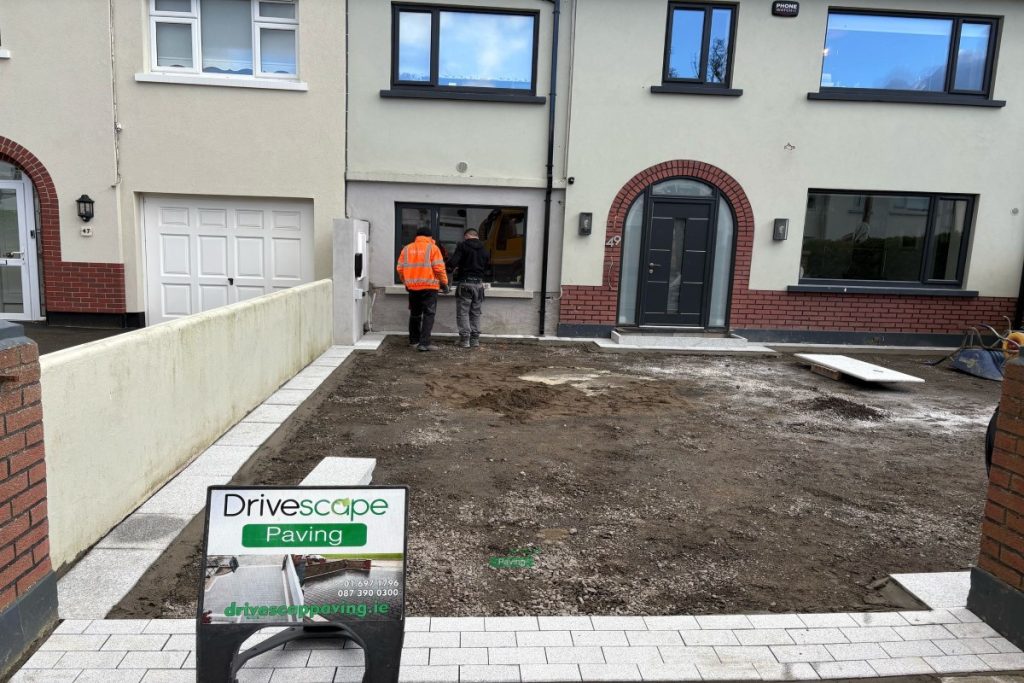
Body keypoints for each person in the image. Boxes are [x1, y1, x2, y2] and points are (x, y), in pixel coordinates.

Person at [396, 227, 448, 351]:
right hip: (429, 287)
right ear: (430, 237)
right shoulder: (433, 248)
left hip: (413, 287)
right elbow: (439, 269)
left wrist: (406, 282)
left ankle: (414, 341)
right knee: (429, 314)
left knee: (415, 314)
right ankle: (424, 343)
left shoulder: (406, 249)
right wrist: (444, 283)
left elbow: (400, 269)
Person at [447, 228, 490, 348]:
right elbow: (487, 267)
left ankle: (465, 340)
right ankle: (475, 340)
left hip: (465, 283)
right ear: (477, 236)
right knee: (475, 313)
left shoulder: (463, 246)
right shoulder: (484, 249)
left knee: (463, 313)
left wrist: (449, 268)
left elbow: (453, 263)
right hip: (479, 285)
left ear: (466, 236)